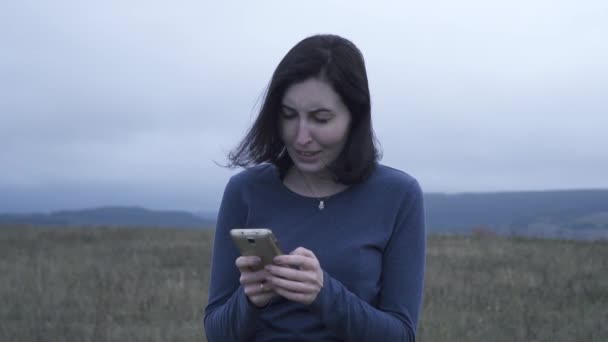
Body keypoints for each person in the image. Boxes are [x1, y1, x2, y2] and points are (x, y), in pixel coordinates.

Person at [203, 34, 425, 342]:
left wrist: (323, 293)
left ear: (354, 117)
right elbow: (216, 333)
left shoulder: (398, 195)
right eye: (289, 115)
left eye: (320, 119)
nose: (301, 137)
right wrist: (251, 298)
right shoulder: (246, 190)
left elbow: (401, 335)